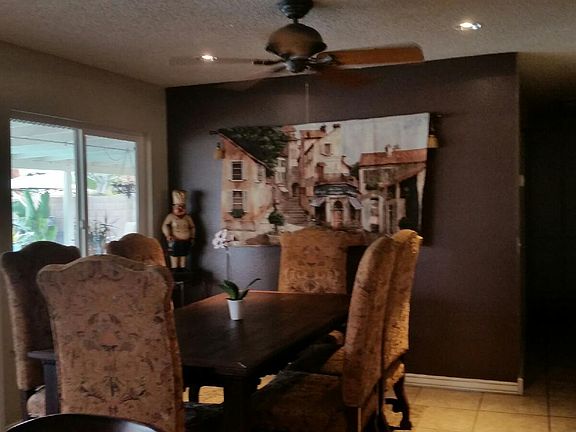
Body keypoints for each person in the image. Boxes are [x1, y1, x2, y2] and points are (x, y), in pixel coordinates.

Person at [162, 190, 195, 270]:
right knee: (174, 255)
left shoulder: (187, 217)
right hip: (175, 240)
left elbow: (192, 227)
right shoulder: (170, 216)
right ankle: (175, 268)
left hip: (186, 240)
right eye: (178, 206)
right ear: (173, 207)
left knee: (184, 255)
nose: (180, 208)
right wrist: (168, 235)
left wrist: (192, 237)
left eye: (182, 206)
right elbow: (165, 225)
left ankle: (183, 268)